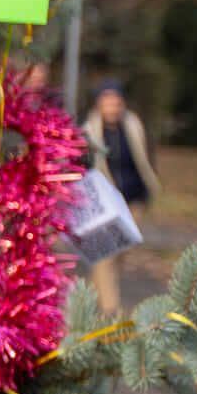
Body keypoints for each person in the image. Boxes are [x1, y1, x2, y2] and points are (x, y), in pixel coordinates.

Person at [82, 79, 160, 312]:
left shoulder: (134, 127)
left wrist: (147, 191)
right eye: (107, 101)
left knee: (117, 256)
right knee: (106, 255)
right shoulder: (88, 133)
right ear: (99, 104)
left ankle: (85, 303)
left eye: (116, 102)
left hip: (133, 200)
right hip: (104, 205)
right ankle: (110, 313)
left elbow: (146, 160)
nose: (112, 107)